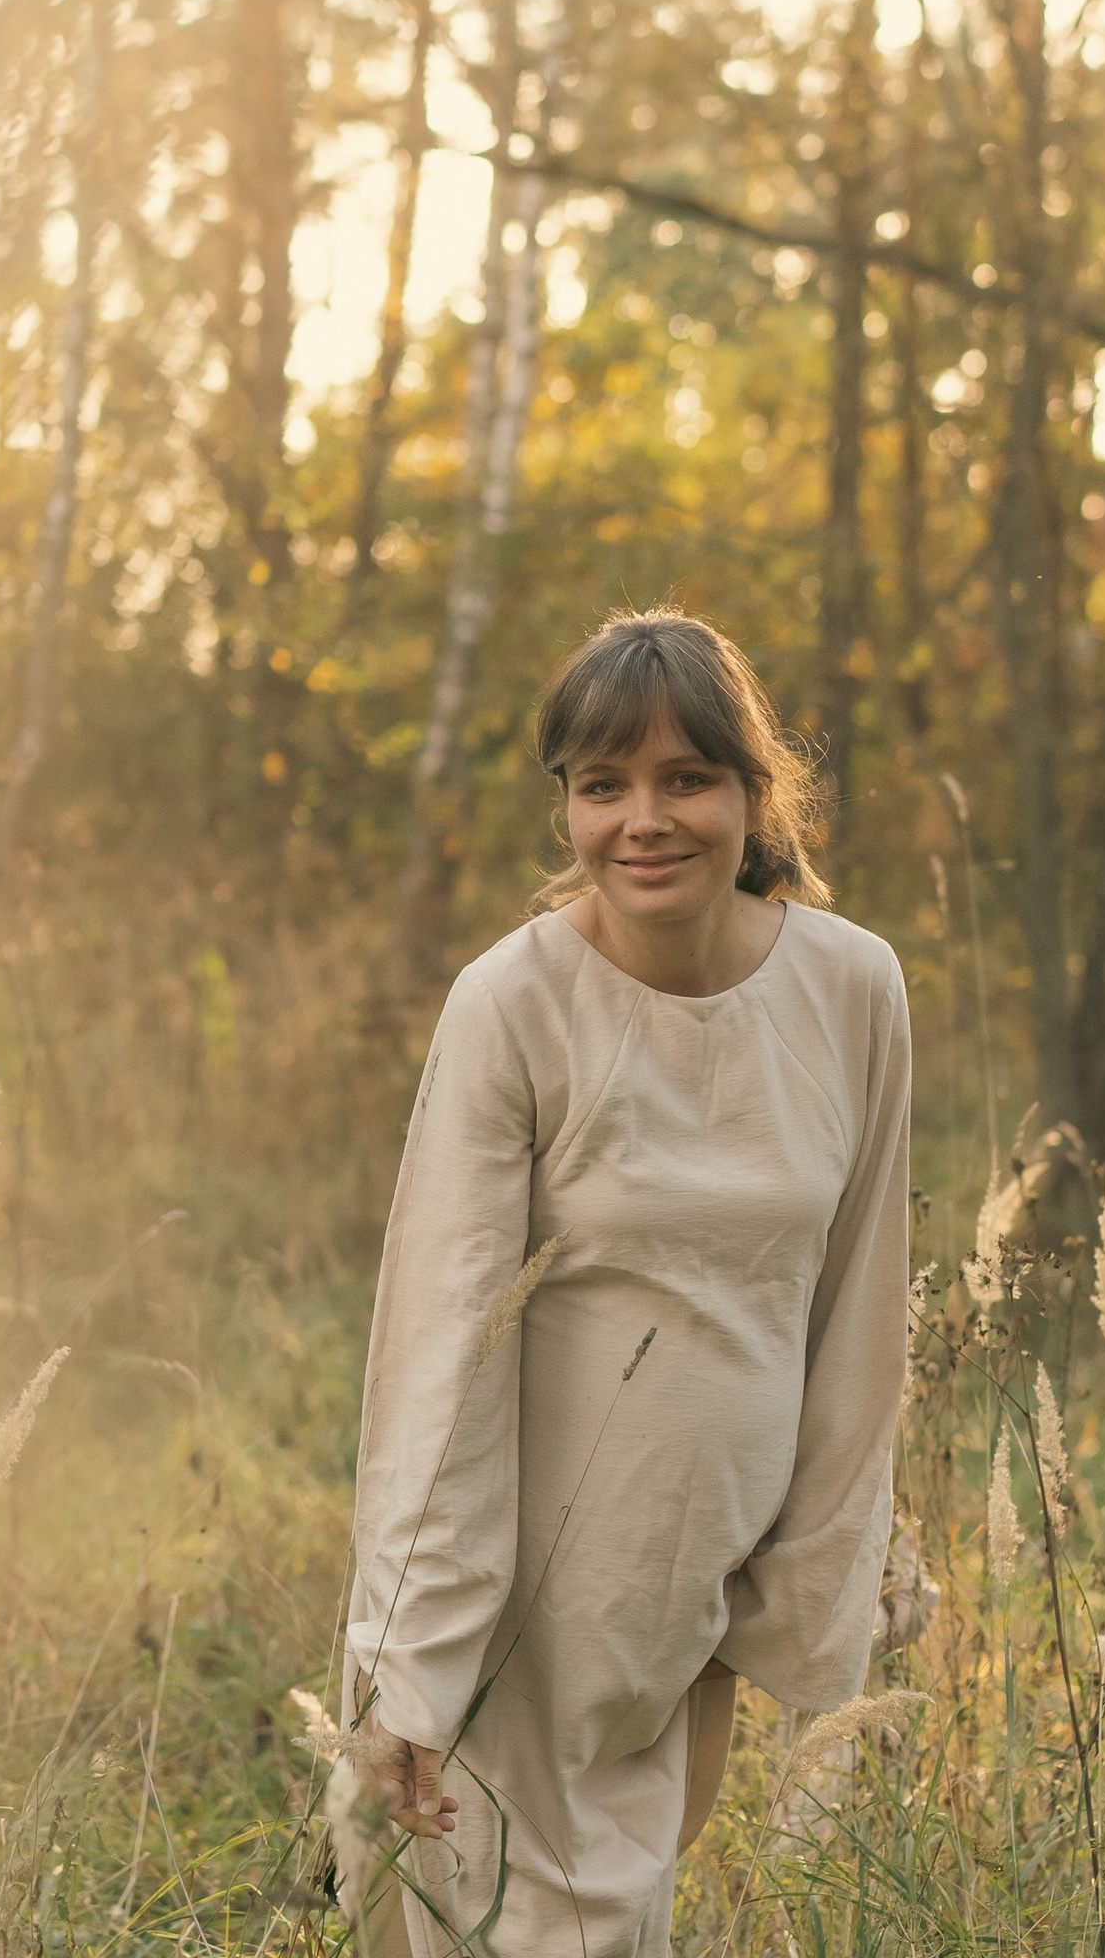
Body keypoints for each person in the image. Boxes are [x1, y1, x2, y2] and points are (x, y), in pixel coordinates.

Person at [341, 607, 912, 1958]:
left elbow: (861, 1312)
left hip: (696, 1594)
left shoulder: (852, 989)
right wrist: (416, 1661)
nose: (642, 820)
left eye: (684, 779)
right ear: (569, 810)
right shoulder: (512, 1004)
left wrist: (802, 1588)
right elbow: (443, 1341)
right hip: (517, 1595)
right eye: (603, 787)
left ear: (753, 791)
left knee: (623, 1914)